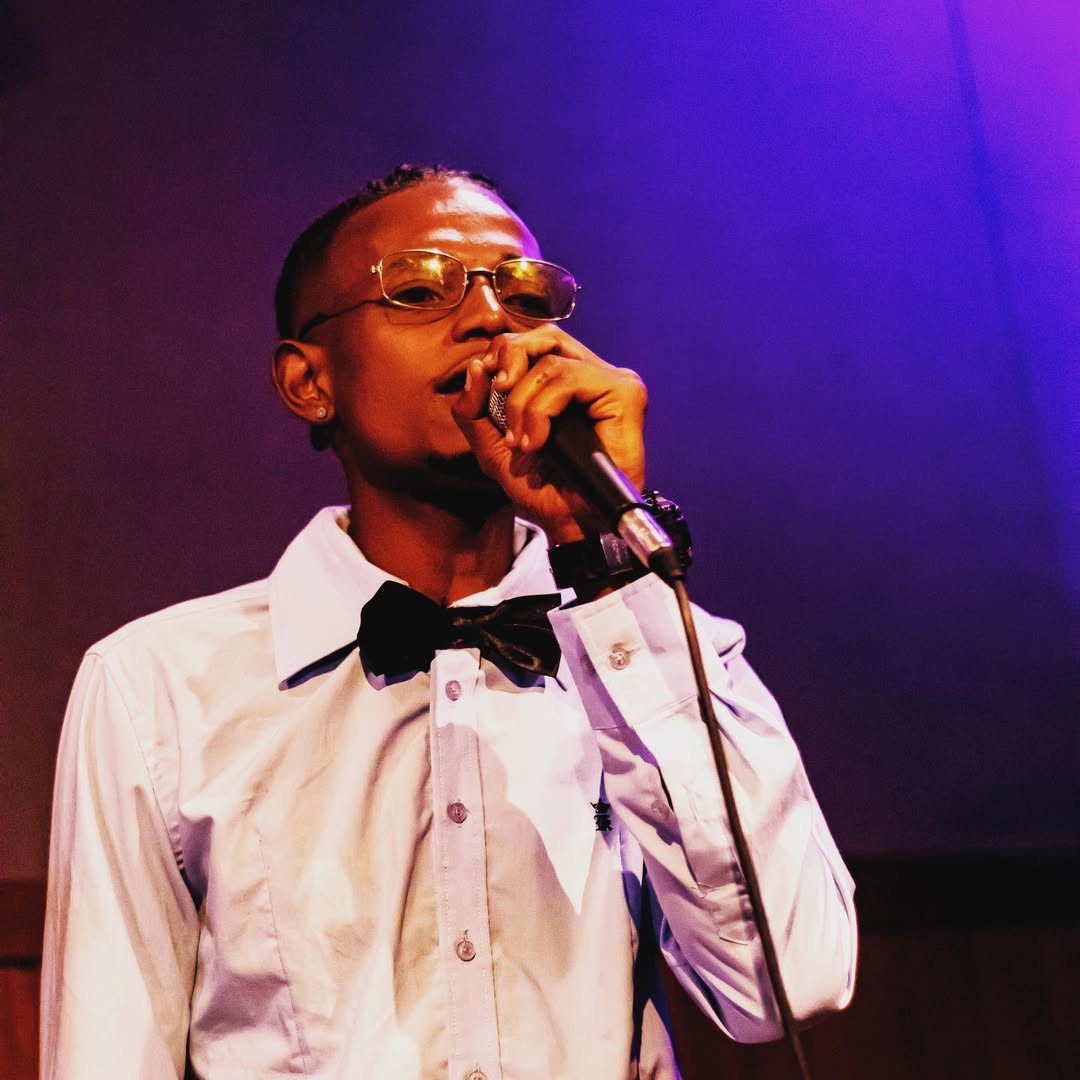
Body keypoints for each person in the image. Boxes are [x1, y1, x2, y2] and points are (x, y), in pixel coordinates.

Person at [41, 164, 856, 1079]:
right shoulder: (158, 684)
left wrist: (606, 565)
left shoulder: (656, 650)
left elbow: (790, 985)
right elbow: (105, 1052)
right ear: (308, 381)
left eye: (524, 294)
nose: (490, 321)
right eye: (421, 290)